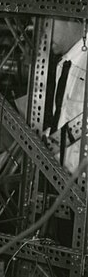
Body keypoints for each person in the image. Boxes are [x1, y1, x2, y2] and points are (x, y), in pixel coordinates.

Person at [48, 11, 88, 173]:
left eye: (46, 25)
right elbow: (65, 120)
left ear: (70, 17)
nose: (42, 34)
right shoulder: (66, 63)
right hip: (64, 178)